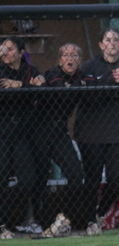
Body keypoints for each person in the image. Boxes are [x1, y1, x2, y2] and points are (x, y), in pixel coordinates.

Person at [77, 28, 119, 230]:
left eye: (116, 40)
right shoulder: (89, 66)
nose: (112, 43)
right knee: (92, 179)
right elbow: (87, 98)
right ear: (101, 45)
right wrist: (110, 80)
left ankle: (99, 212)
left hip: (117, 133)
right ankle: (87, 220)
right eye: (108, 40)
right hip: (91, 133)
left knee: (118, 181)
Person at [38, 43, 89, 236]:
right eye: (66, 55)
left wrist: (77, 85)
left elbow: (89, 83)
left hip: (59, 131)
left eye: (74, 55)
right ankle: (41, 223)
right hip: (40, 129)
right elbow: (61, 91)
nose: (70, 58)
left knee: (76, 175)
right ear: (60, 60)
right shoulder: (52, 73)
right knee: (40, 177)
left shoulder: (79, 76)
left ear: (79, 60)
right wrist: (77, 86)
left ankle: (63, 217)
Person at [0, 37, 44, 239]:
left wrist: (19, 85)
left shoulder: (30, 71)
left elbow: (43, 93)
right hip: (3, 132)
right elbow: (7, 97)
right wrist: (28, 89)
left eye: (9, 49)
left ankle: (7, 218)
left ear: (20, 52)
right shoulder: (1, 71)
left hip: (22, 135)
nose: (4, 53)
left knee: (27, 181)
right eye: (2, 49)